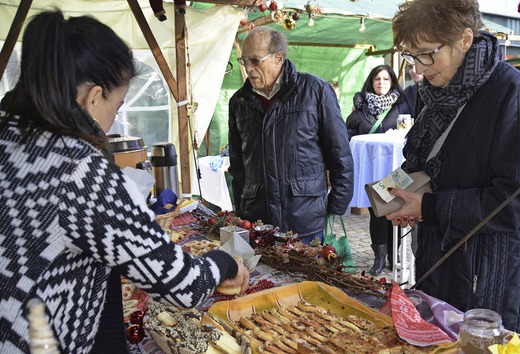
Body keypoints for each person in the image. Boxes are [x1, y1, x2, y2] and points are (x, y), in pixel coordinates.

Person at [0, 10, 249, 353]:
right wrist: (224, 263)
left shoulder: (8, 137)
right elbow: (181, 285)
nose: (112, 120)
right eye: (116, 107)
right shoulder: (79, 169)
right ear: (92, 97)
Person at [387, 0, 520, 335]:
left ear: (465, 39)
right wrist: (391, 193)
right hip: (439, 259)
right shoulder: (433, 92)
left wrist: (429, 206)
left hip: (491, 279)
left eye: (427, 53)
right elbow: (422, 160)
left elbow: (517, 202)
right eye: (411, 55)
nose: (418, 68)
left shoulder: (514, 94)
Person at [228, 27, 354, 244]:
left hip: (304, 218)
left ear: (279, 57)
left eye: (256, 60)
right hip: (258, 219)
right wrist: (241, 209)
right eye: (244, 61)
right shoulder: (239, 102)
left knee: (305, 277)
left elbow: (339, 152)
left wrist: (335, 206)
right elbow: (237, 164)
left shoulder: (315, 91)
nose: (249, 68)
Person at [345, 65, 407, 275]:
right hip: (372, 172)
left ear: (392, 82)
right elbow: (348, 136)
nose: (381, 83)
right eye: (377, 79)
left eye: (386, 79)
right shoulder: (361, 109)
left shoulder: (403, 106)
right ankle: (379, 258)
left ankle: (394, 256)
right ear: (371, 82)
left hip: (396, 172)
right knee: (377, 213)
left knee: (395, 211)